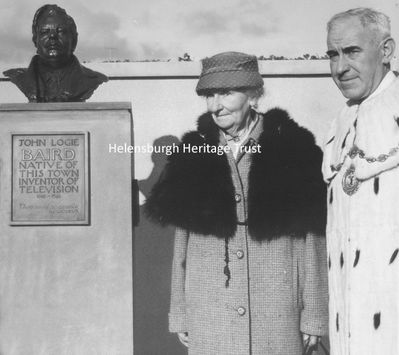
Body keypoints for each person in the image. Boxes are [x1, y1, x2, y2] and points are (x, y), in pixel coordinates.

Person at [146, 51, 328, 355]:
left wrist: (315, 315)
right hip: (210, 311)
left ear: (253, 95)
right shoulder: (194, 152)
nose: (216, 105)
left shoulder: (293, 148)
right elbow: (183, 242)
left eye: (226, 93)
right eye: (209, 95)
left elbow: (313, 239)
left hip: (278, 313)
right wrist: (180, 312)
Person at [323, 8, 399, 355]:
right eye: (333, 55)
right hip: (348, 325)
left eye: (352, 51)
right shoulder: (339, 122)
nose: (340, 68)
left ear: (386, 51)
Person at [3, 4, 107, 102]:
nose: (52, 36)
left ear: (74, 40)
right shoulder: (19, 78)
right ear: (35, 40)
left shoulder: (93, 80)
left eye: (60, 31)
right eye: (44, 32)